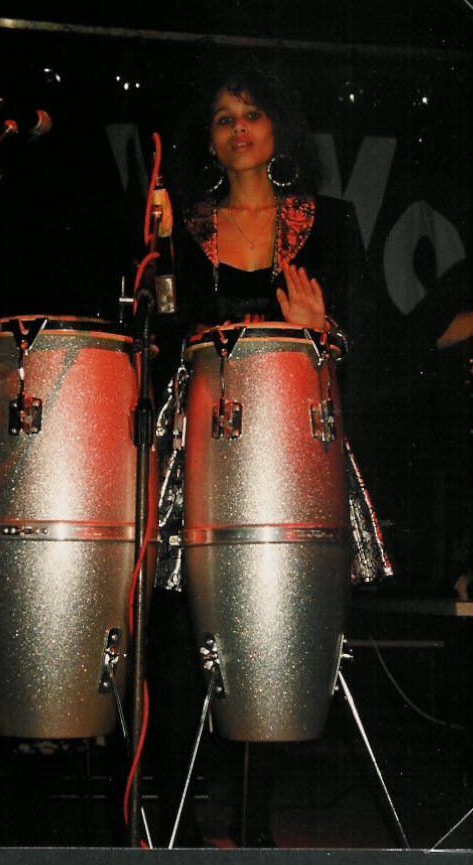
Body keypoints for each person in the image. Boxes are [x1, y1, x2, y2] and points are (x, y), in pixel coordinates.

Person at [145, 60, 382, 848]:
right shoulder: (182, 229)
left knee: (274, 626)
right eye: (224, 117)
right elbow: (159, 342)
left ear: (278, 125)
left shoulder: (329, 222)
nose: (239, 128)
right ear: (208, 140)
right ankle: (177, 826)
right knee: (182, 633)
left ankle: (254, 825)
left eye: (252, 113)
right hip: (201, 453)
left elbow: (369, 341)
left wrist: (326, 333)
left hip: (289, 453)